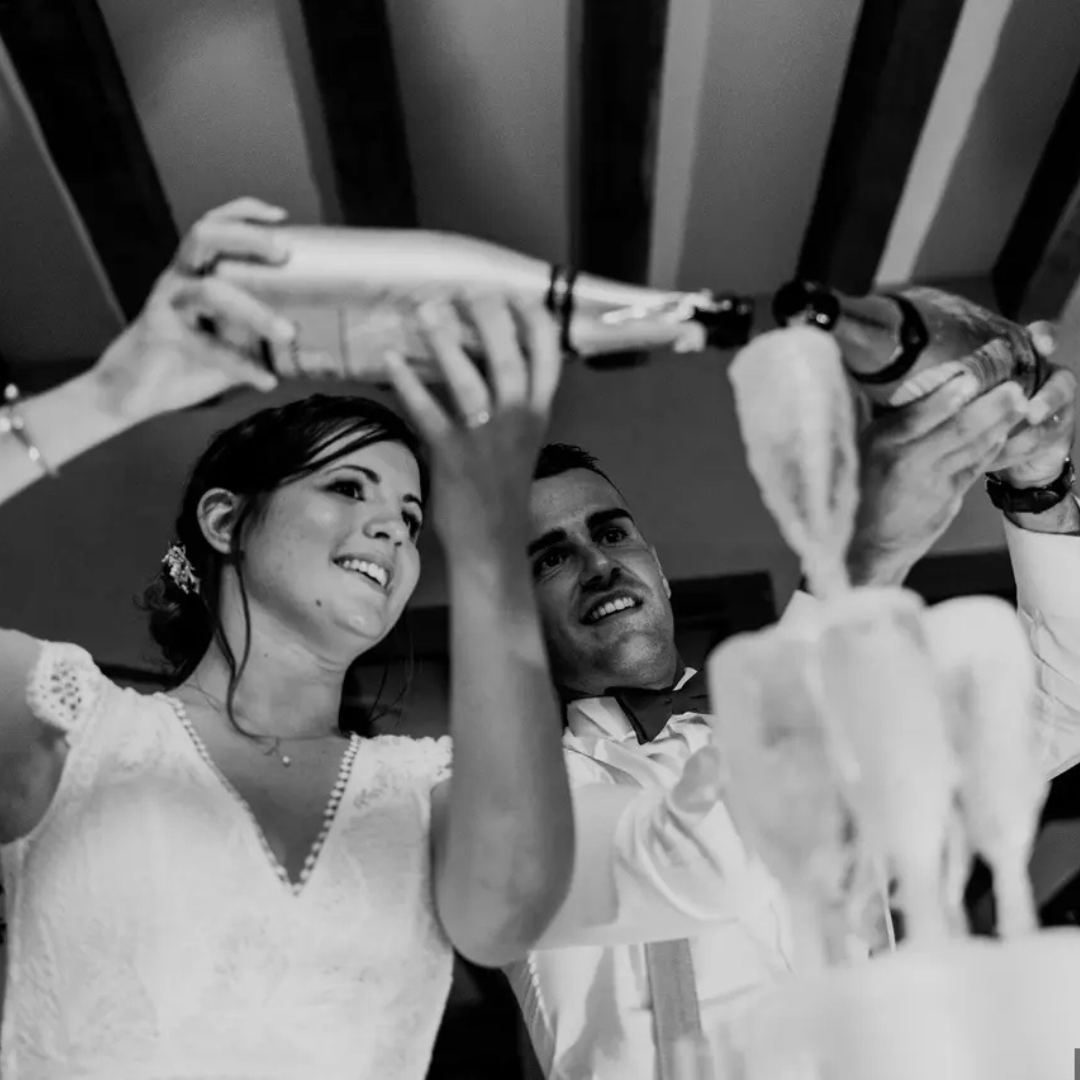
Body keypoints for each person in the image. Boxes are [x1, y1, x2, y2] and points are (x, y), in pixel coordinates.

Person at [0, 198, 575, 1078]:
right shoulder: (70, 726)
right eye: (348, 488)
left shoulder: (430, 786)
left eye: (413, 519)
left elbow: (510, 915)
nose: (391, 529)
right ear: (226, 519)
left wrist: (493, 543)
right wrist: (116, 392)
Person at [501, 338, 1080, 1080]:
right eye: (550, 557)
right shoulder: (512, 800)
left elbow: (1058, 701)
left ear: (661, 573)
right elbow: (704, 859)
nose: (598, 564)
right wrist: (856, 563)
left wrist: (1039, 484)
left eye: (610, 532)